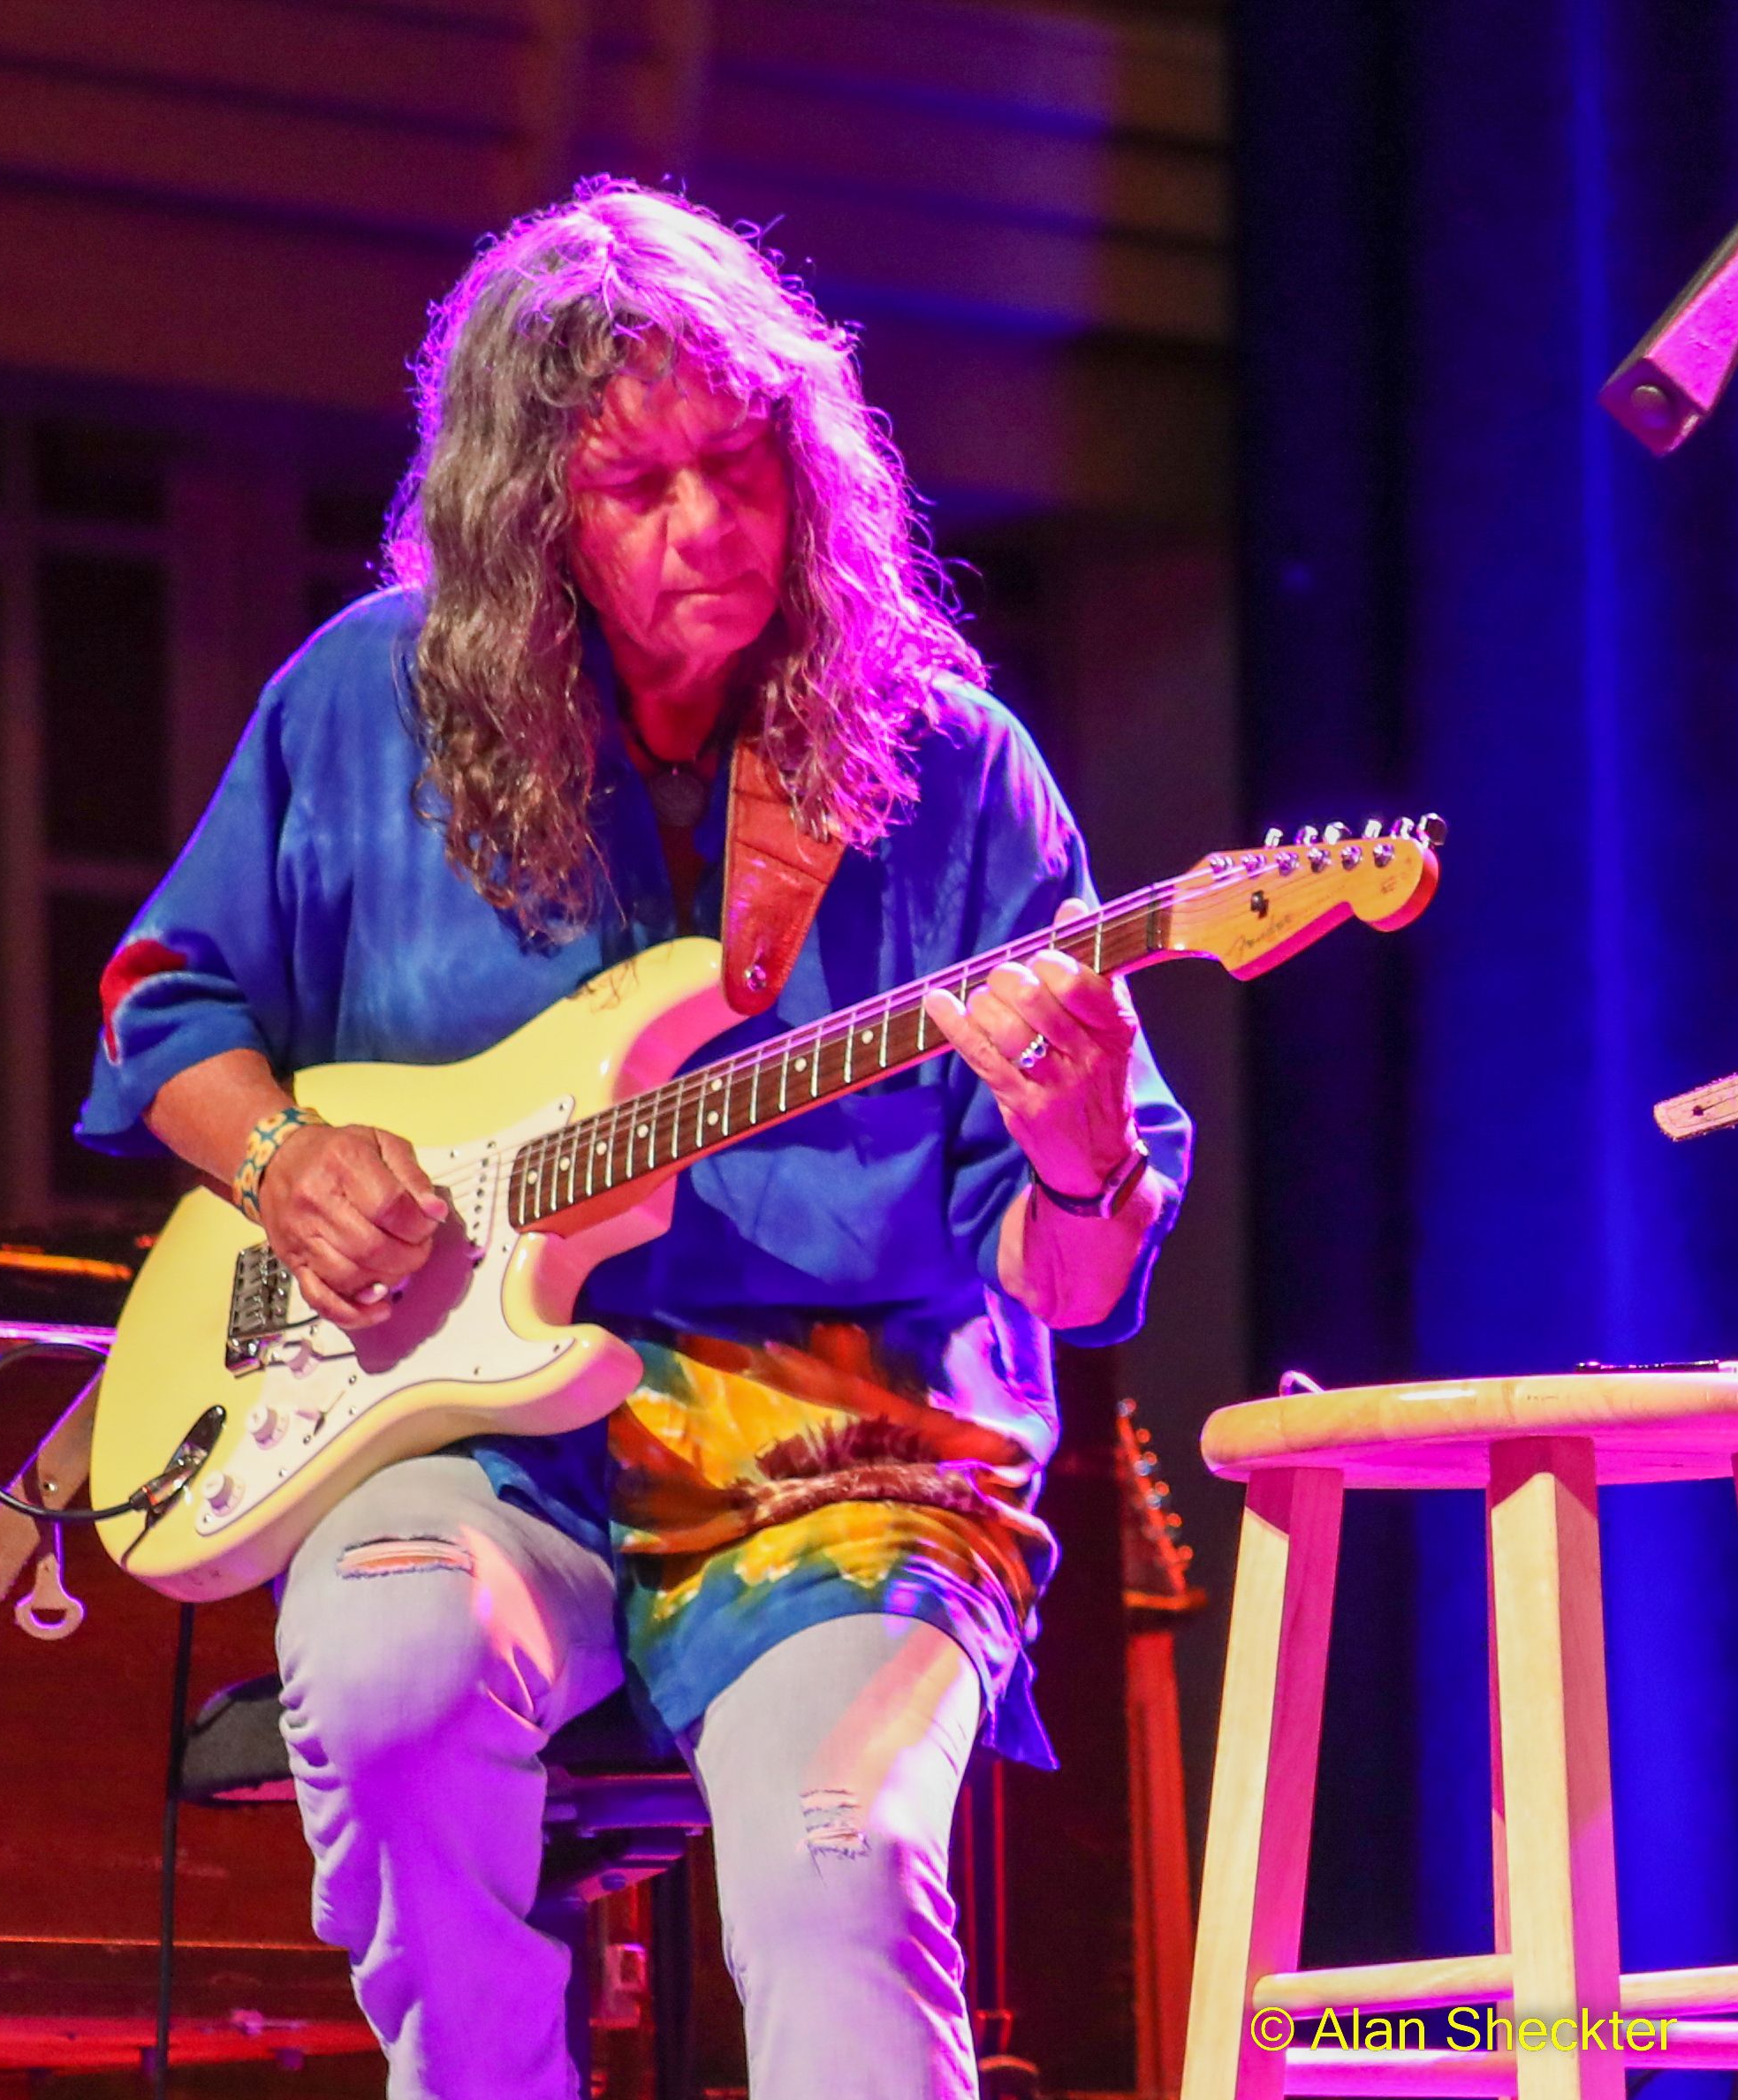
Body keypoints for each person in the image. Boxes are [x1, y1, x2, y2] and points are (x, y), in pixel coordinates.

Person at [80, 181, 1188, 2100]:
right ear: (531, 520)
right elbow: (160, 1004)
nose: (711, 524)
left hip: (852, 1462)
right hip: (485, 1440)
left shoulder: (951, 764)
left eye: (745, 463)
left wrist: (1080, 1145)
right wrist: (279, 1160)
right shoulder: (369, 702)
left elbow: (1078, 1288)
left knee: (840, 1870)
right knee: (385, 1666)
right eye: (639, 484)